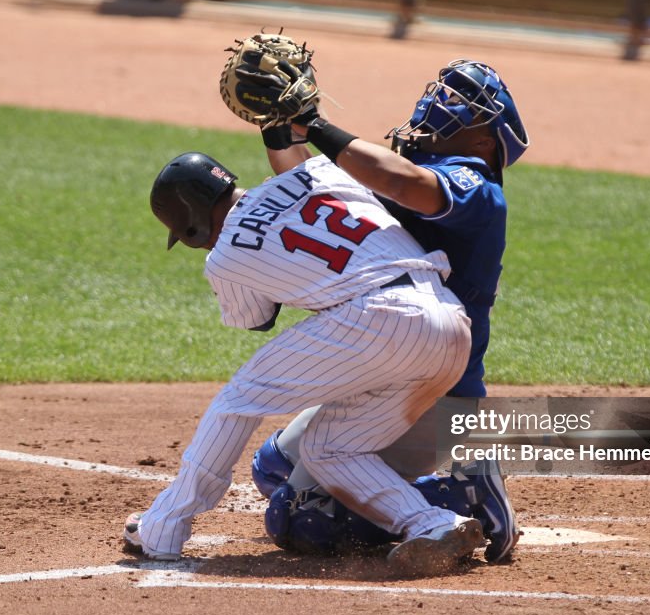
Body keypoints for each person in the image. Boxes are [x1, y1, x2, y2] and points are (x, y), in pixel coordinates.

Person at [123, 150, 488, 576]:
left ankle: (164, 528)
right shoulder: (315, 171)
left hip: (380, 318)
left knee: (237, 401)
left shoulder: (223, 255)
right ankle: (434, 524)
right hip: (449, 323)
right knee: (329, 448)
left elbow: (254, 319)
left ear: (190, 223)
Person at [248, 59, 529, 562]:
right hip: (381, 376)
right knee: (272, 469)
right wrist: (279, 129)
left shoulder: (476, 191)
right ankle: (420, 485)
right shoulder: (404, 180)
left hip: (434, 403)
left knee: (304, 517)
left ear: (486, 143)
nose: (439, 105)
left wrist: (313, 125)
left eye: (462, 107)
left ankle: (466, 492)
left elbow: (401, 182)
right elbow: (310, 192)